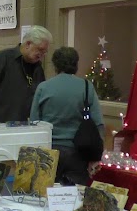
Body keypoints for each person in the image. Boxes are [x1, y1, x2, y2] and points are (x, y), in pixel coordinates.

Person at [30, 46, 104, 185]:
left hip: (48, 151)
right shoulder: (86, 86)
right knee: (75, 194)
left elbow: (34, 123)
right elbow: (98, 123)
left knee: (45, 193)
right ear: (75, 64)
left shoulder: (43, 87)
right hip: (78, 152)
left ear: (55, 65)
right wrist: (95, 157)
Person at [0, 25, 52, 122]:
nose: (42, 55)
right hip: (1, 125)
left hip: (28, 126)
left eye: (45, 52)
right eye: (40, 50)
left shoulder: (38, 68)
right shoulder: (2, 59)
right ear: (28, 44)